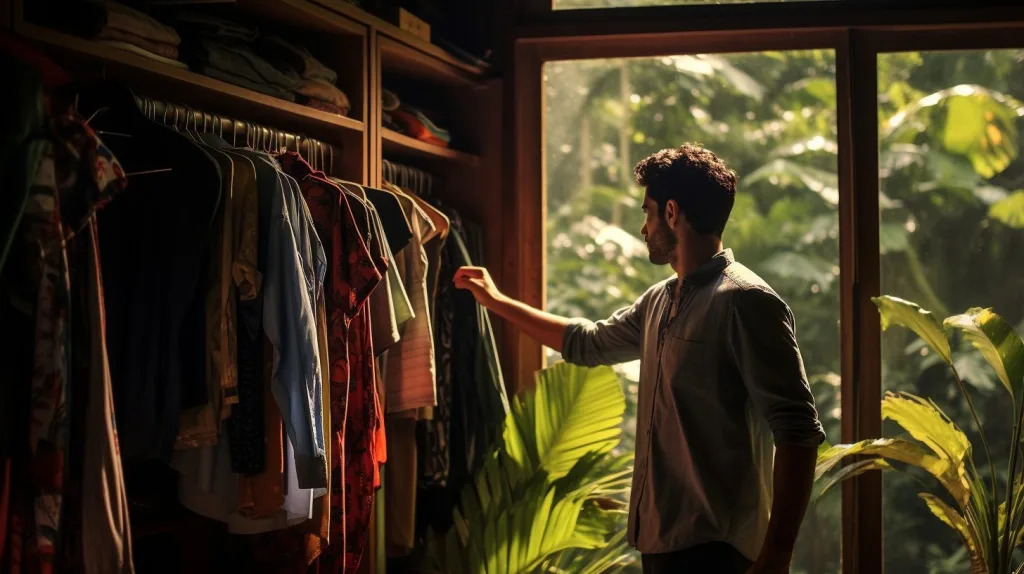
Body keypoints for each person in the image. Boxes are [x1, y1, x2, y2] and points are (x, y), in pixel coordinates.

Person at [453, 144, 826, 574]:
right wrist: (494, 300)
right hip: (660, 543)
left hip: (719, 551)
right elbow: (586, 341)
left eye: (647, 212)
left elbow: (797, 431)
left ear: (671, 213)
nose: (643, 226)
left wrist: (777, 554)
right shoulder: (659, 301)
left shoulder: (746, 302)